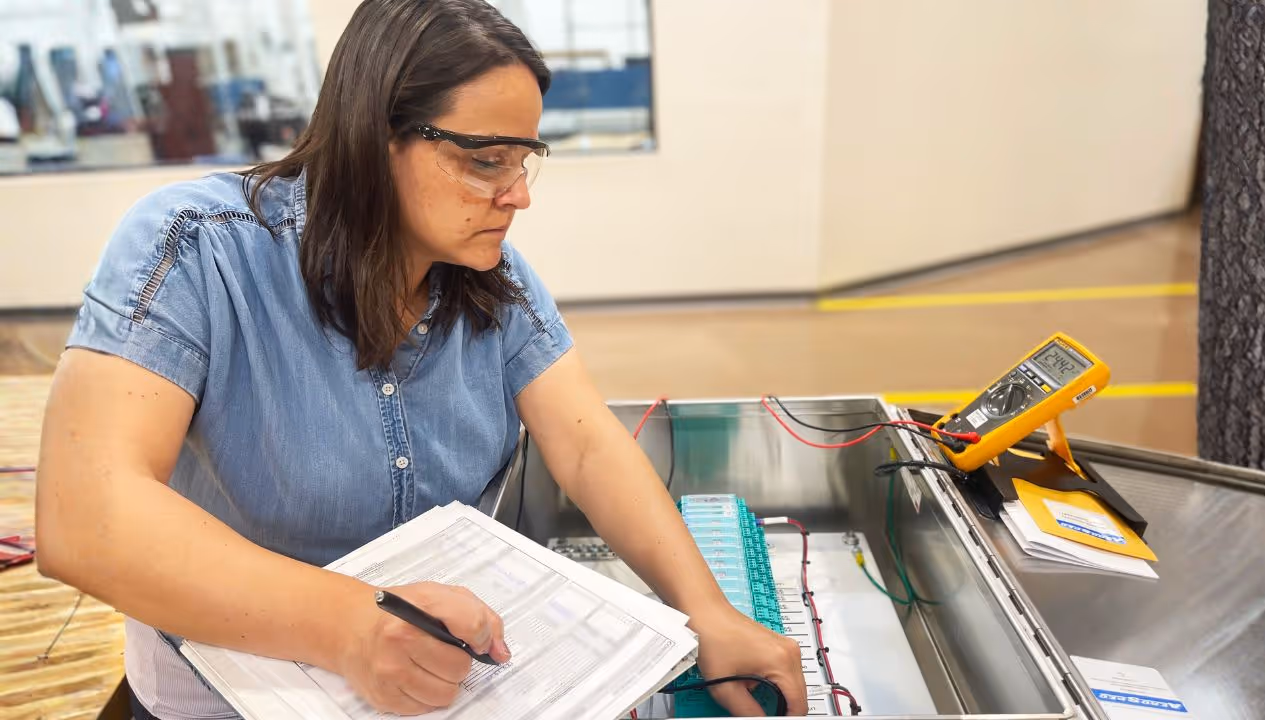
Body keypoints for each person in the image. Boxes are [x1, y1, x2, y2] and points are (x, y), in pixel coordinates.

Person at [34, 0, 806, 718]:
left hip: (437, 684)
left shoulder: (492, 282)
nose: (518, 196)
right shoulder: (197, 247)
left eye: (523, 160)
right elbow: (86, 519)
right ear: (376, 138)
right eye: (485, 161)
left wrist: (704, 612)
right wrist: (348, 626)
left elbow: (586, 442)